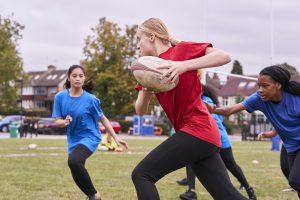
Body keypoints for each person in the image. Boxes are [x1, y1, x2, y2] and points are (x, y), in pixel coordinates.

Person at [131, 17, 248, 200]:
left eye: (140, 39)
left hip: (198, 130)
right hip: (202, 136)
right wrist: (147, 89)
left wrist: (184, 65)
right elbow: (139, 110)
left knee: (141, 175)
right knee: (228, 196)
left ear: (152, 36)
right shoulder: (149, 68)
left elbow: (224, 56)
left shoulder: (182, 50)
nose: (138, 45)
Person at [208, 65, 300, 198]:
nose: (260, 90)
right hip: (291, 145)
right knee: (292, 178)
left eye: (265, 86)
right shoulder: (259, 99)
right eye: (259, 85)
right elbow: (230, 110)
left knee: (295, 180)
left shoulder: (295, 100)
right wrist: (213, 109)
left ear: (278, 85)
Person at [52, 65, 128, 200]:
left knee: (74, 162)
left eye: (81, 76)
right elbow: (57, 121)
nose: (78, 79)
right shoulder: (60, 97)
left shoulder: (91, 100)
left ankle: (95, 196)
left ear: (84, 78)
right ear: (69, 78)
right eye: (74, 76)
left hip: (90, 137)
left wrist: (116, 138)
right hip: (73, 139)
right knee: (76, 172)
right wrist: (64, 122)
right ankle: (90, 196)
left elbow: (103, 119)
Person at [178, 85, 256, 200]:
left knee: (231, 166)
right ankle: (191, 191)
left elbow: (213, 120)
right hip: (207, 140)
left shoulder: (206, 101)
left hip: (220, 140)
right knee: (190, 159)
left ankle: (249, 190)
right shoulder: (196, 100)